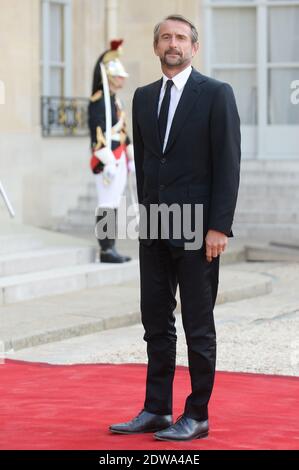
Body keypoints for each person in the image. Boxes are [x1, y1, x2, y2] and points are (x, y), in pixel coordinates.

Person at [109, 15, 241, 441]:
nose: (173, 43)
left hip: (199, 228)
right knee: (155, 321)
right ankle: (156, 409)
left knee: (198, 324)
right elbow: (147, 164)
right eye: (166, 37)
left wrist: (219, 226)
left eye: (181, 38)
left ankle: (197, 414)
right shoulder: (144, 97)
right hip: (156, 226)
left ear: (194, 48)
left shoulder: (216, 94)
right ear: (156, 46)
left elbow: (228, 163)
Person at [88, 39, 134, 263]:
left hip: (120, 156)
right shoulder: (99, 102)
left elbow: (123, 130)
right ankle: (106, 249)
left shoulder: (116, 101)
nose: (121, 80)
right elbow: (96, 135)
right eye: (117, 77)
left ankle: (111, 246)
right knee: (107, 202)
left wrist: (130, 154)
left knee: (114, 202)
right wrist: (108, 161)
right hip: (107, 159)